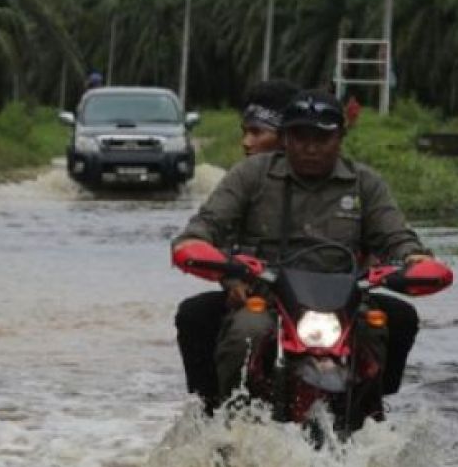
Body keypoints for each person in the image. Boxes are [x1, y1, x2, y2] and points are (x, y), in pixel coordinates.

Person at [173, 89, 430, 405]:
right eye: (299, 137)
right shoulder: (252, 174)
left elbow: (396, 236)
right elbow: (207, 225)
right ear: (284, 139)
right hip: (265, 298)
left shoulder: (365, 183)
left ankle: (370, 416)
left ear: (340, 138)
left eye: (322, 139)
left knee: (381, 327)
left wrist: (414, 258)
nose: (310, 148)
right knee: (246, 333)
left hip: (344, 304)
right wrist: (199, 248)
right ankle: (230, 417)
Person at [173, 79, 300, 412]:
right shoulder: (243, 179)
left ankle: (369, 408)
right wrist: (230, 277)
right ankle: (214, 408)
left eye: (258, 133)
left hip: (327, 302)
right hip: (259, 296)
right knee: (195, 315)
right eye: (245, 132)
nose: (247, 142)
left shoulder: (349, 179)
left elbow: (384, 235)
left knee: (395, 319)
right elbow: (208, 231)